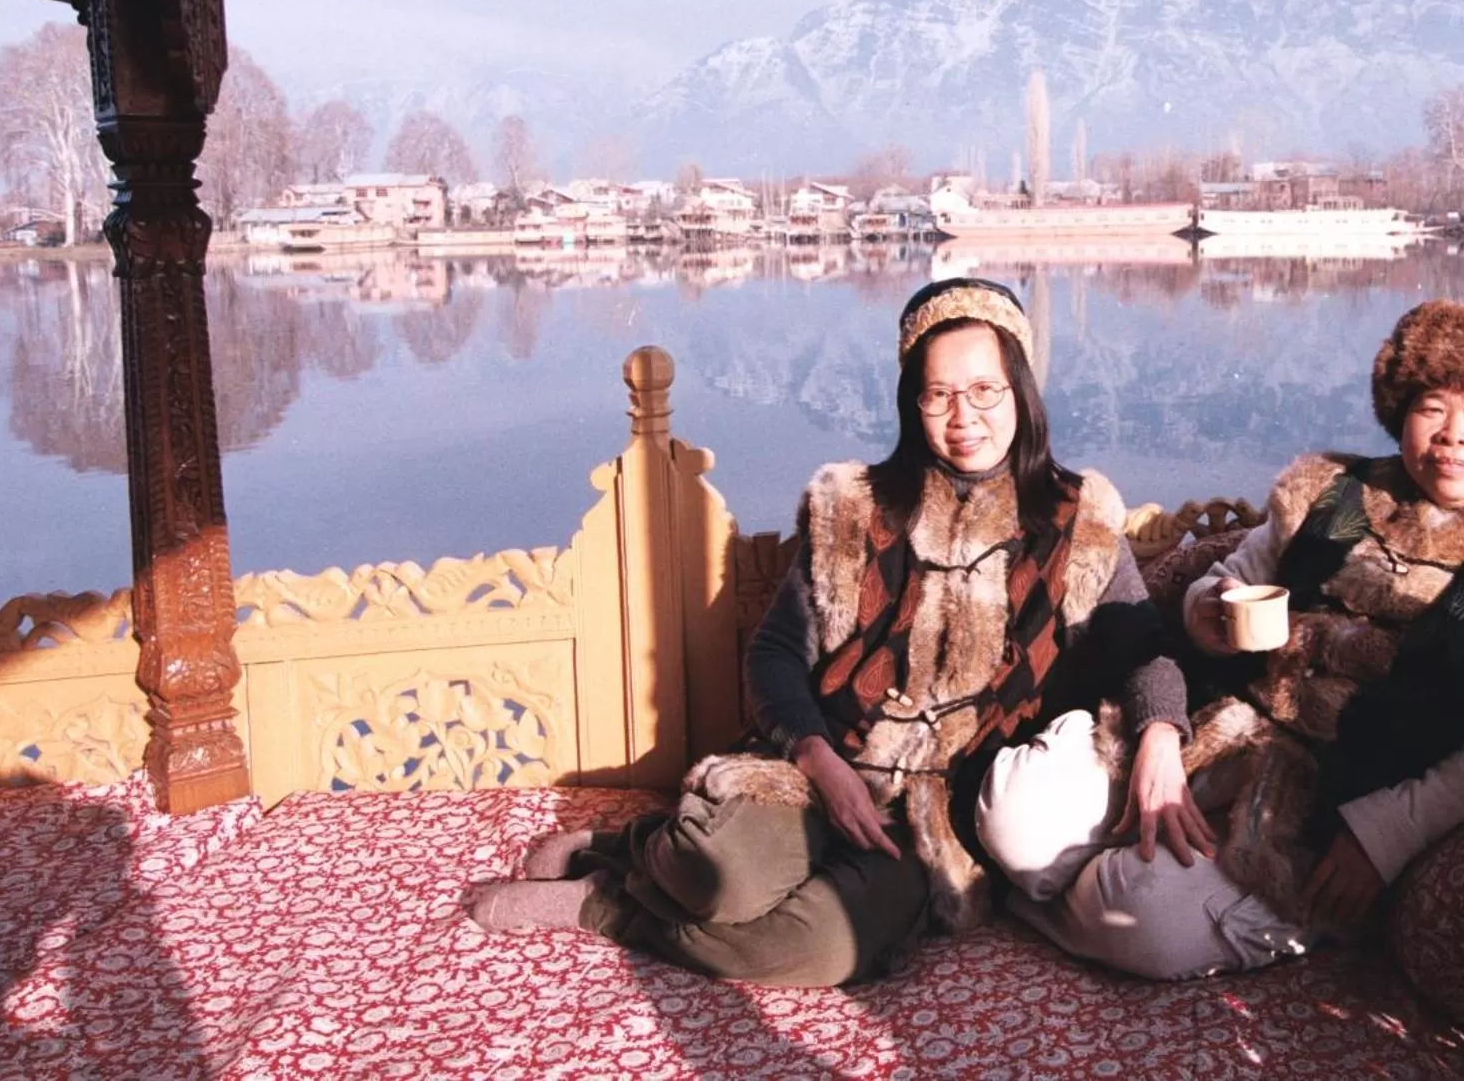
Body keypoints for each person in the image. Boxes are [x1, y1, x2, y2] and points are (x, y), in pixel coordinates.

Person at [465, 277, 1193, 986]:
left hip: (932, 820)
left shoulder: (1079, 520)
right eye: (938, 394)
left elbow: (1144, 649)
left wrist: (1162, 731)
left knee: (816, 949)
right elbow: (777, 652)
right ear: (913, 402)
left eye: (984, 390)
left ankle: (610, 906)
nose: (962, 415)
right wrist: (818, 760)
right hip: (822, 769)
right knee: (720, 877)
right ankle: (635, 850)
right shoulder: (854, 508)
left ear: (1020, 393)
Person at [974, 299, 1464, 980]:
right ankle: (1083, 876)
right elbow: (1231, 573)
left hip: (1344, 799)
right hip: (1223, 727)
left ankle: (1097, 891)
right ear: (1399, 412)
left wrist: (1390, 834)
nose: (1453, 435)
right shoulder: (1330, 492)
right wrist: (1206, 614)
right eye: (1432, 408)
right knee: (1013, 812)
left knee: (1138, 916)